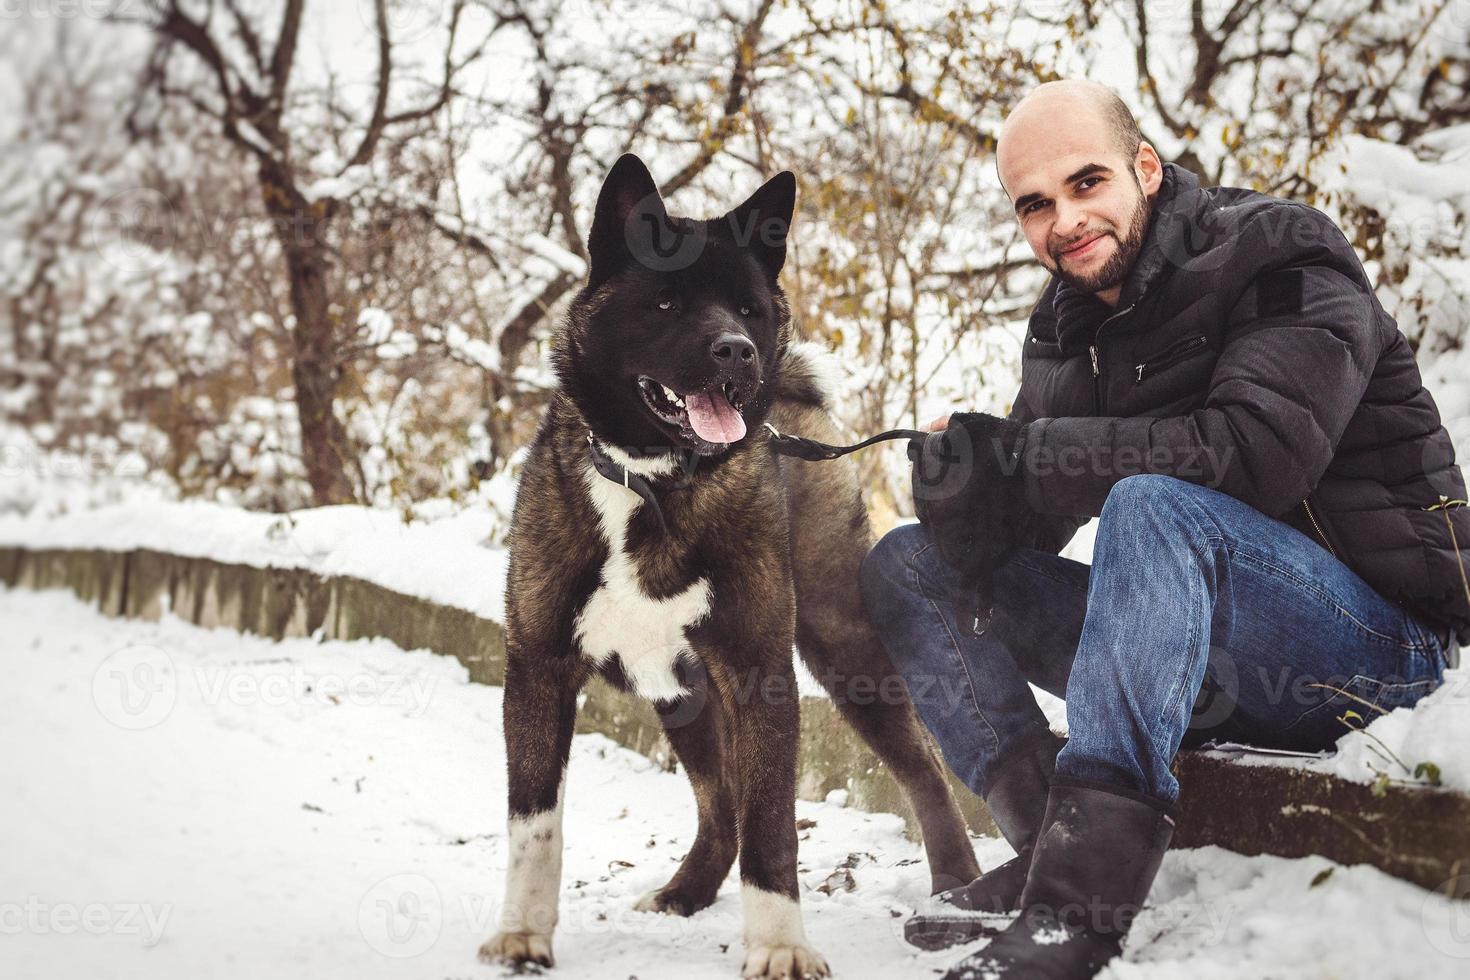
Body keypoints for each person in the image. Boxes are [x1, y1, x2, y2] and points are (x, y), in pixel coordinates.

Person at [859, 79, 1470, 979]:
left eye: (1085, 183)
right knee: (908, 566)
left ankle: (1076, 913)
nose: (1064, 220)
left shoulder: (1279, 252)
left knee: (1152, 506)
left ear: (1145, 168)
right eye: (1035, 204)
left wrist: (1036, 451)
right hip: (1194, 649)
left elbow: (1255, 454)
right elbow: (1022, 527)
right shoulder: (1067, 328)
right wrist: (968, 480)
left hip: (1376, 649)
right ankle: (1048, 847)